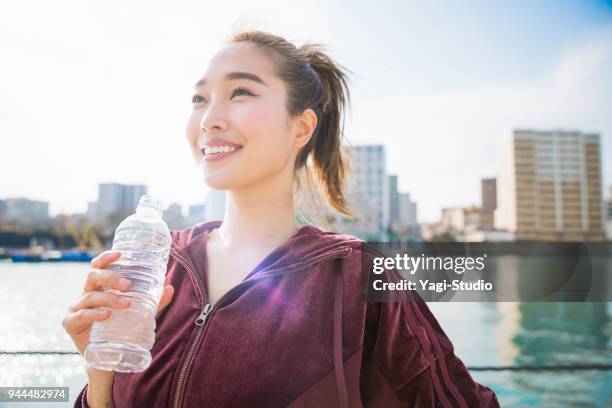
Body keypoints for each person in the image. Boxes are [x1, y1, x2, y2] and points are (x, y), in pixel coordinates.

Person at [63, 30, 500, 407]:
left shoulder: (356, 277)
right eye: (199, 98)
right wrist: (100, 385)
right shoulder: (160, 262)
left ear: (301, 128)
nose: (209, 119)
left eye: (241, 93)